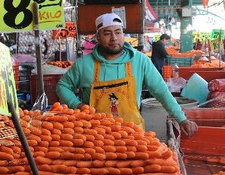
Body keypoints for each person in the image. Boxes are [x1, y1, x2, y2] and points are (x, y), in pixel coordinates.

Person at [56, 13, 198, 137]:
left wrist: (182, 119)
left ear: (123, 35)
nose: (114, 38)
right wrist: (77, 104)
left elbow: (161, 92)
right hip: (95, 138)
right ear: (98, 38)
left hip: (133, 136)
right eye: (107, 33)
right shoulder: (84, 64)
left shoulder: (140, 61)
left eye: (118, 32)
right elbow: (62, 86)